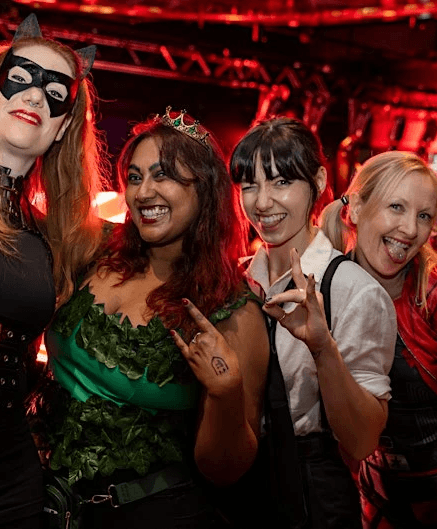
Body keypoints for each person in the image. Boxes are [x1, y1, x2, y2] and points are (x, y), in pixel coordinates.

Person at [43, 108, 269, 528]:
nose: (143, 191)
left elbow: (226, 470)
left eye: (163, 175)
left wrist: (226, 392)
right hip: (51, 503)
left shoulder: (231, 310)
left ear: (205, 190)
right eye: (134, 176)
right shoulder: (97, 248)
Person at [229, 116, 397, 528]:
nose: (262, 202)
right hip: (241, 483)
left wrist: (323, 349)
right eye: (249, 186)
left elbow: (361, 441)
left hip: (314, 493)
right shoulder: (237, 281)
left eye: (281, 182)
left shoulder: (354, 291)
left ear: (319, 181)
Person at [0, 13, 106, 529]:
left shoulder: (51, 239)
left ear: (64, 124)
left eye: (54, 94)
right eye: (20, 80)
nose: (35, 97)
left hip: (11, 467)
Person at [321, 150, 437, 528]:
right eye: (396, 207)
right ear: (355, 208)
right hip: (374, 500)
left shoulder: (430, 294)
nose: (409, 229)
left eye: (424, 216)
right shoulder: (324, 292)